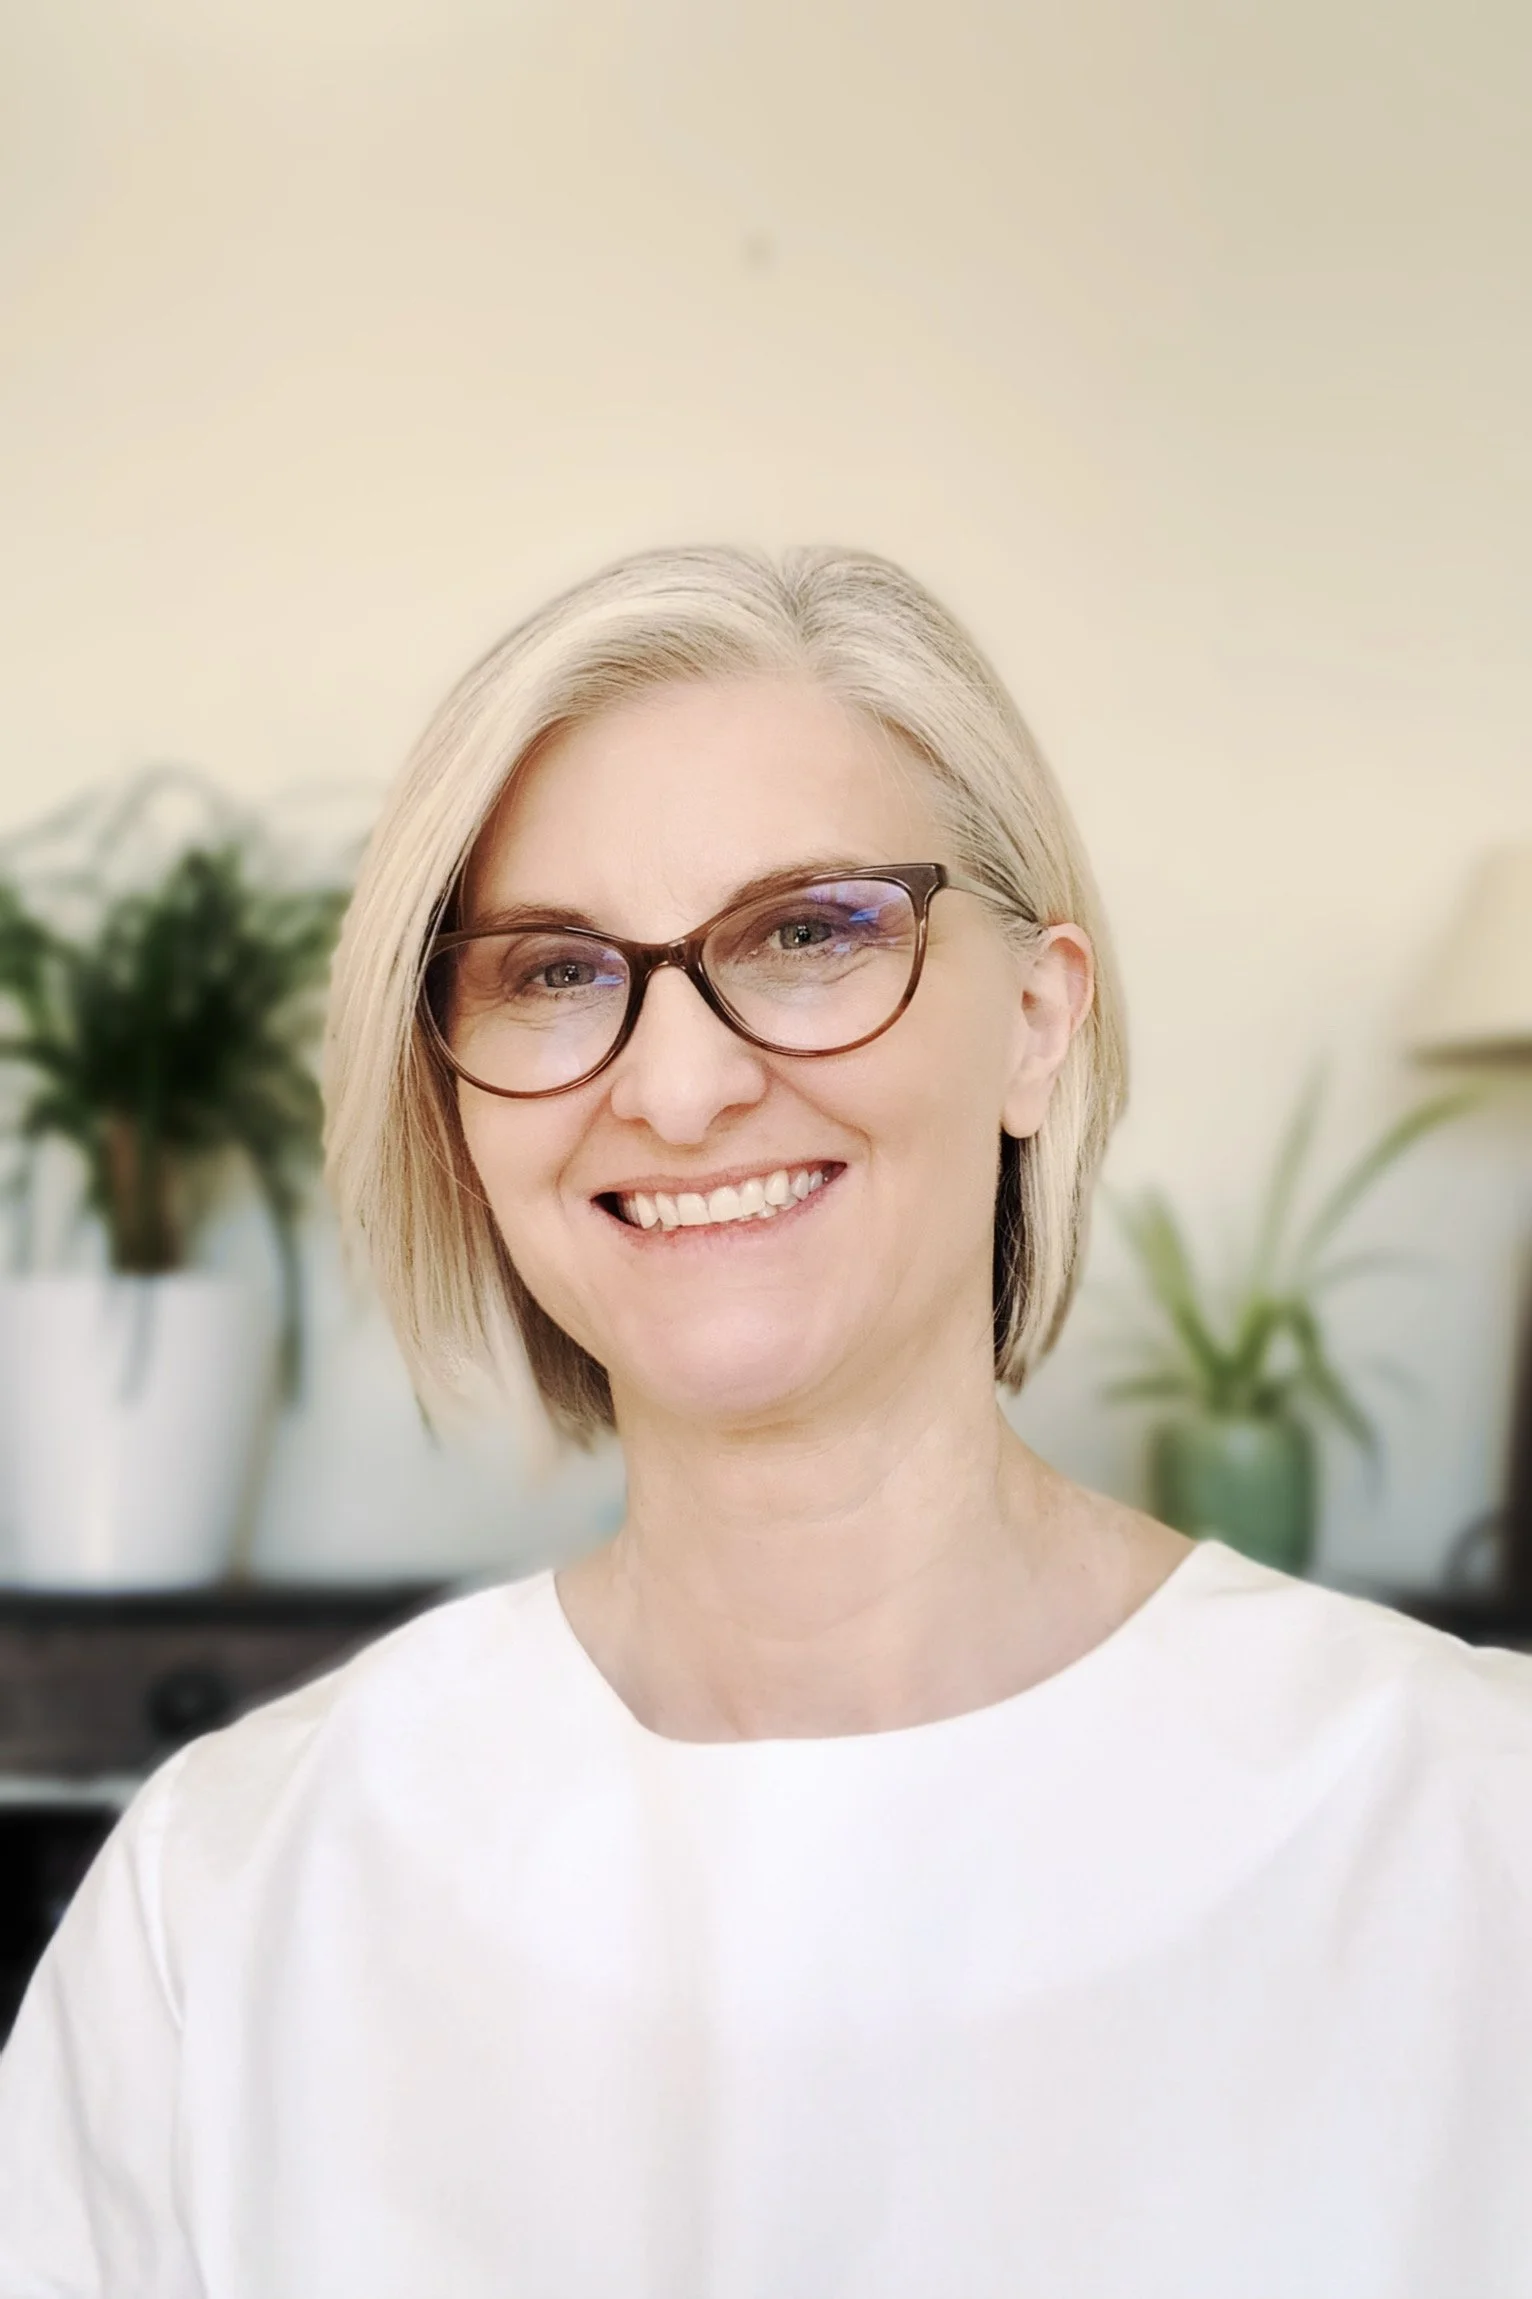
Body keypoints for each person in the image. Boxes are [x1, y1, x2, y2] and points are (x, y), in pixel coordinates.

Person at [1, 545, 1529, 2299]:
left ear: (1037, 1025)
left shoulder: (1472, 1832)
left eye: (809, 933)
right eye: (554, 971)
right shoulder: (223, 1901)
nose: (678, 1086)